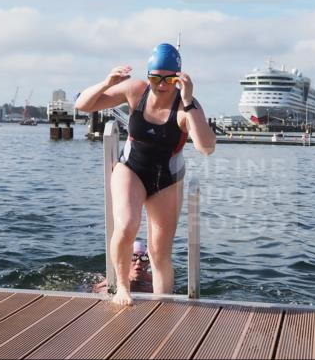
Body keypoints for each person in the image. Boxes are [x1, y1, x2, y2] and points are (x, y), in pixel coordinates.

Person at [76, 43, 216, 306]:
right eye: (155, 78)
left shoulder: (185, 106)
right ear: (148, 75)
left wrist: (188, 102)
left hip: (167, 180)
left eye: (169, 79)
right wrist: (107, 83)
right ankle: (122, 287)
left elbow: (206, 148)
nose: (161, 85)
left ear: (179, 78)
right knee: (126, 226)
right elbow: (83, 105)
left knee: (159, 252)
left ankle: (163, 304)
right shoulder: (136, 90)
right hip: (131, 169)